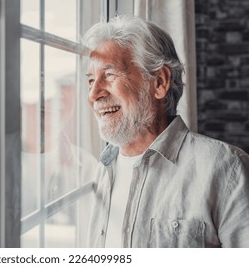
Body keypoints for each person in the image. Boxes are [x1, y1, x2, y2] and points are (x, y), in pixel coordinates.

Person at [83, 15, 249, 248]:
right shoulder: (103, 169)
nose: (93, 95)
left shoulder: (226, 168)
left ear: (159, 82)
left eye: (109, 75)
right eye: (90, 80)